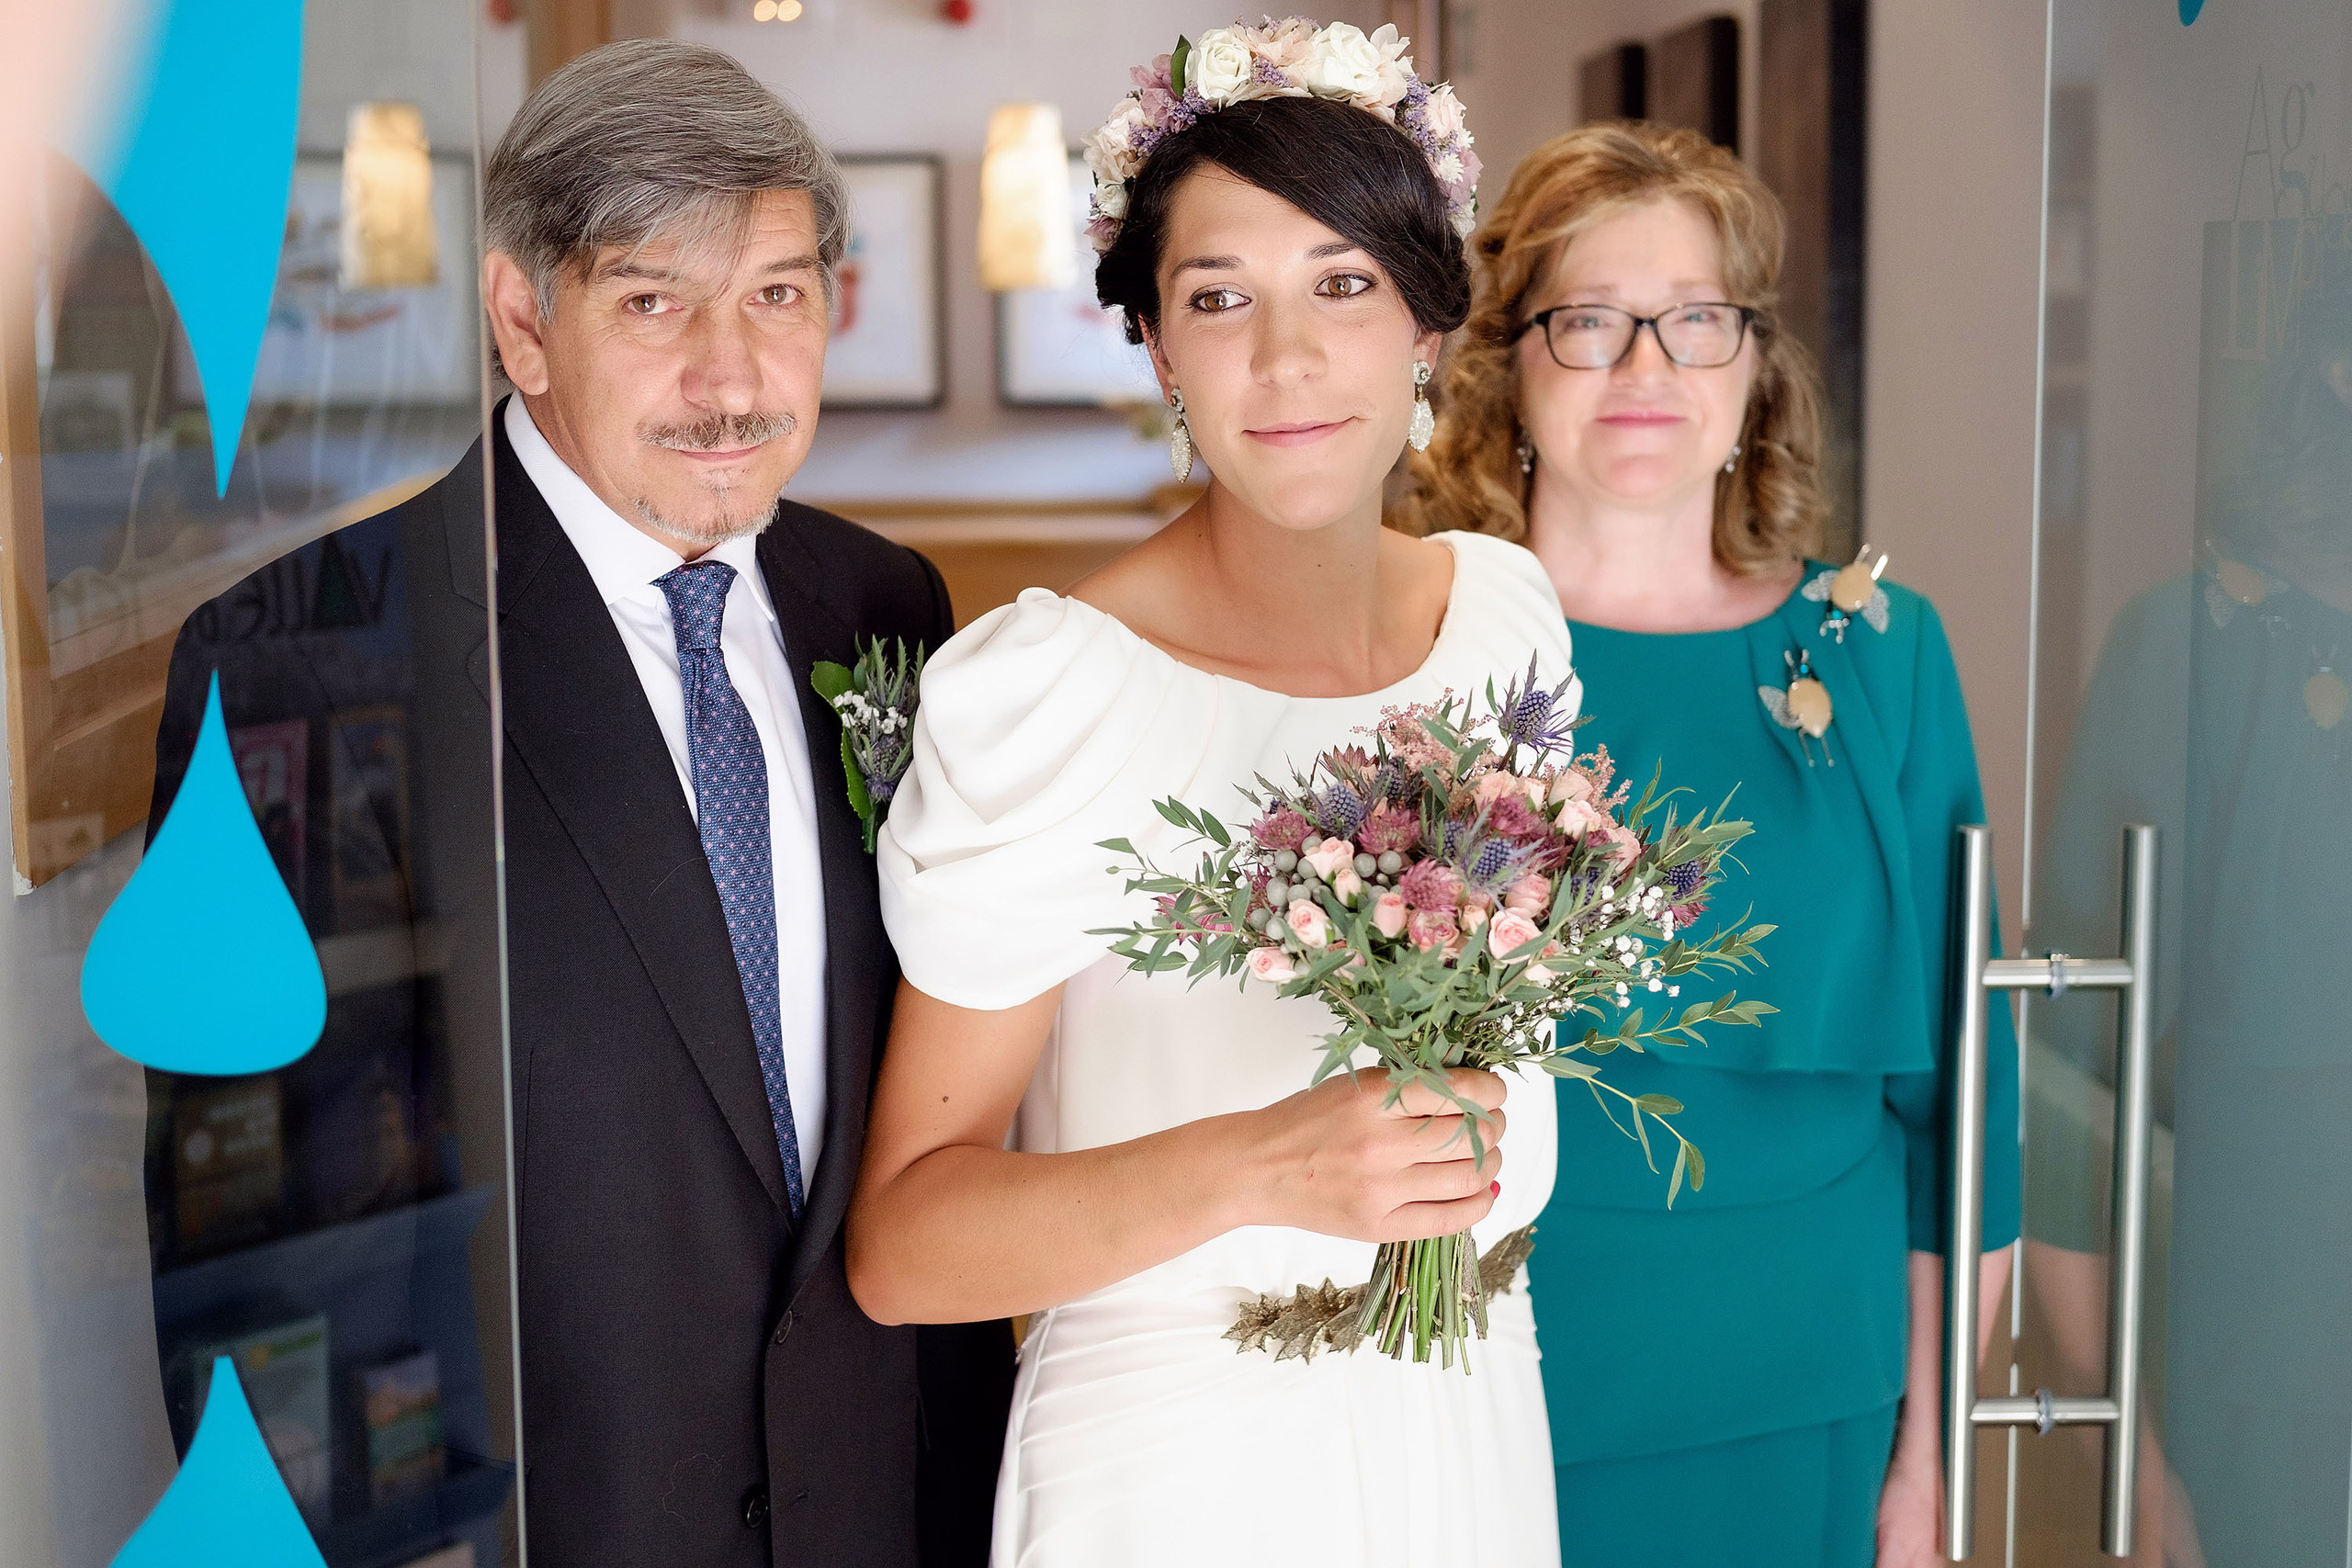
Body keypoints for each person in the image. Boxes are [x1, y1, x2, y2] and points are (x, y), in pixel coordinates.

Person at [148, 39, 1012, 1566]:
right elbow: (269, 1259)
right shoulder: (304, 661)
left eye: (777, 295)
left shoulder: (887, 605)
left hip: (896, 1508)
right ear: (521, 321)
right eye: (653, 303)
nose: (731, 379)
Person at [847, 20, 1565, 1568]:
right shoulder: (1055, 694)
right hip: (1178, 1480)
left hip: (1472, 1428)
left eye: (1343, 286)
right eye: (1220, 297)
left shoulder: (1506, 628)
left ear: (1430, 323)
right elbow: (905, 1247)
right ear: (1160, 349)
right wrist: (1268, 1164)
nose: (1286, 358)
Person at [1400, 121, 2019, 1566]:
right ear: (1507, 366)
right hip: (1480, 1377)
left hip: (1811, 1397)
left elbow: (1965, 1111)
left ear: (1755, 370)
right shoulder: (1414, 645)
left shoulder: (1882, 655)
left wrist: (1931, 1464)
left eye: (1696, 320)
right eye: (1590, 320)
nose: (1648, 368)